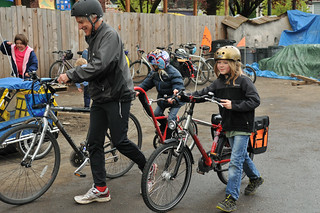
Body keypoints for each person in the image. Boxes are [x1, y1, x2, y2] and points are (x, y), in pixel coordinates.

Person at [57, 0, 151, 204]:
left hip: (117, 95)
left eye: (82, 21)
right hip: (100, 95)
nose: (80, 25)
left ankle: (148, 167)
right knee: (94, 143)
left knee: (120, 141)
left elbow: (100, 65)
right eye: (78, 22)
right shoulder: (93, 36)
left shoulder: (109, 35)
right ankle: (101, 188)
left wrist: (71, 75)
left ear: (93, 17)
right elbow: (95, 66)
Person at [190, 46, 263, 212]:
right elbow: (204, 93)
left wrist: (234, 105)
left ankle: (231, 198)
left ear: (234, 63)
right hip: (228, 125)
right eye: (218, 63)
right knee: (242, 156)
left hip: (243, 126)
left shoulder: (244, 81)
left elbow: (255, 101)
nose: (221, 66)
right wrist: (184, 96)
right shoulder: (219, 82)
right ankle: (256, 178)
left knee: (235, 162)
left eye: (225, 62)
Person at [137, 49, 185, 139]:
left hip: (175, 100)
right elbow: (146, 83)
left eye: (153, 65)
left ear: (160, 64)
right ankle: (165, 126)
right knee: (156, 114)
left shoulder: (174, 73)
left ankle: (170, 138)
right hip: (163, 99)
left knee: (171, 118)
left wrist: (176, 95)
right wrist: (138, 90)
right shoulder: (154, 72)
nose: (151, 66)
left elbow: (178, 86)